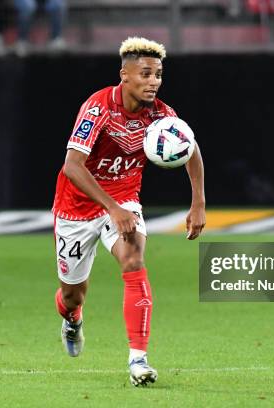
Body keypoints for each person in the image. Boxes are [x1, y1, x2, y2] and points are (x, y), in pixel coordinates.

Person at [51, 37, 206, 387]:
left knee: (134, 262)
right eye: (146, 74)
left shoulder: (162, 116)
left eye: (159, 75)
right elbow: (72, 166)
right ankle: (72, 318)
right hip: (76, 207)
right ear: (125, 75)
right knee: (73, 294)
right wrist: (110, 207)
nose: (154, 81)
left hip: (124, 201)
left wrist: (198, 203)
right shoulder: (98, 107)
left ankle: (138, 360)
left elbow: (191, 149)